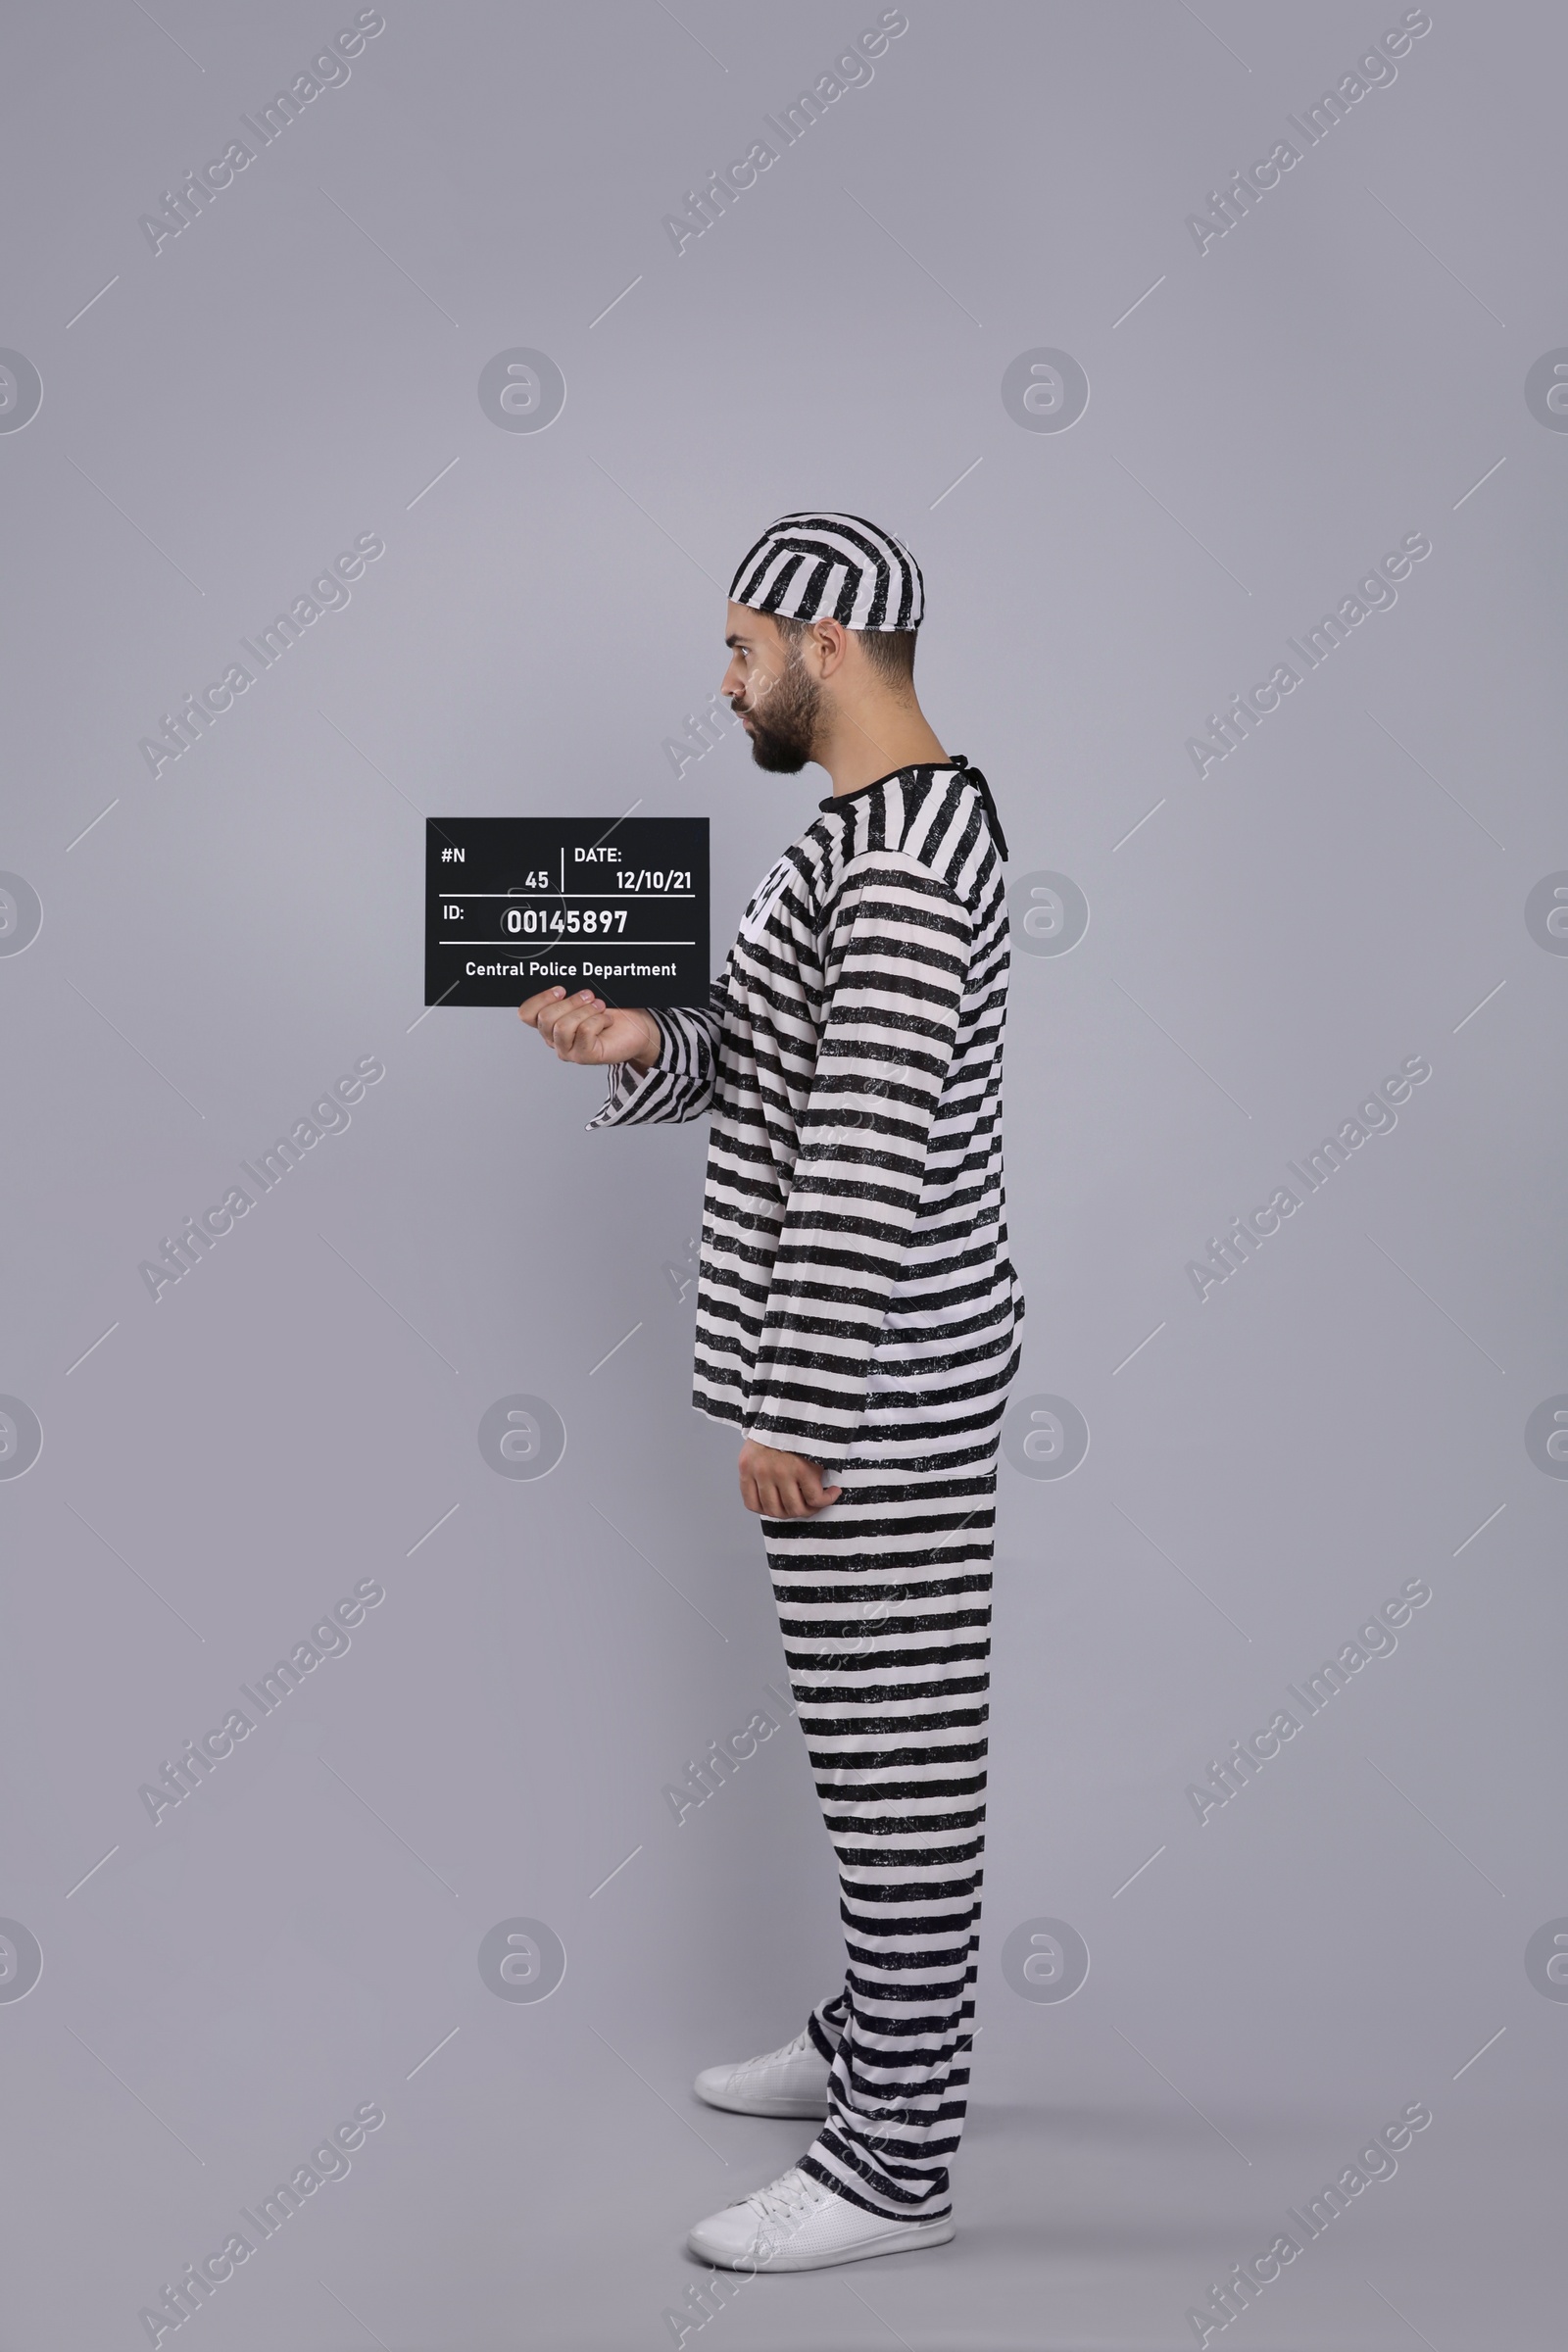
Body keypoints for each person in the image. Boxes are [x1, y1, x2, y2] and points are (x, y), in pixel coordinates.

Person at [519, 511, 1022, 2273]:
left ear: (827, 640)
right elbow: (772, 1059)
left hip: (871, 1389)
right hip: (870, 1376)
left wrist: (795, 1400)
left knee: (900, 1762)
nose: (726, 678)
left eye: (743, 647)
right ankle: (876, 2042)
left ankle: (897, 2160)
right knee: (865, 1744)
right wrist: (636, 1043)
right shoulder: (870, 830)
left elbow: (872, 1150)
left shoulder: (900, 858)